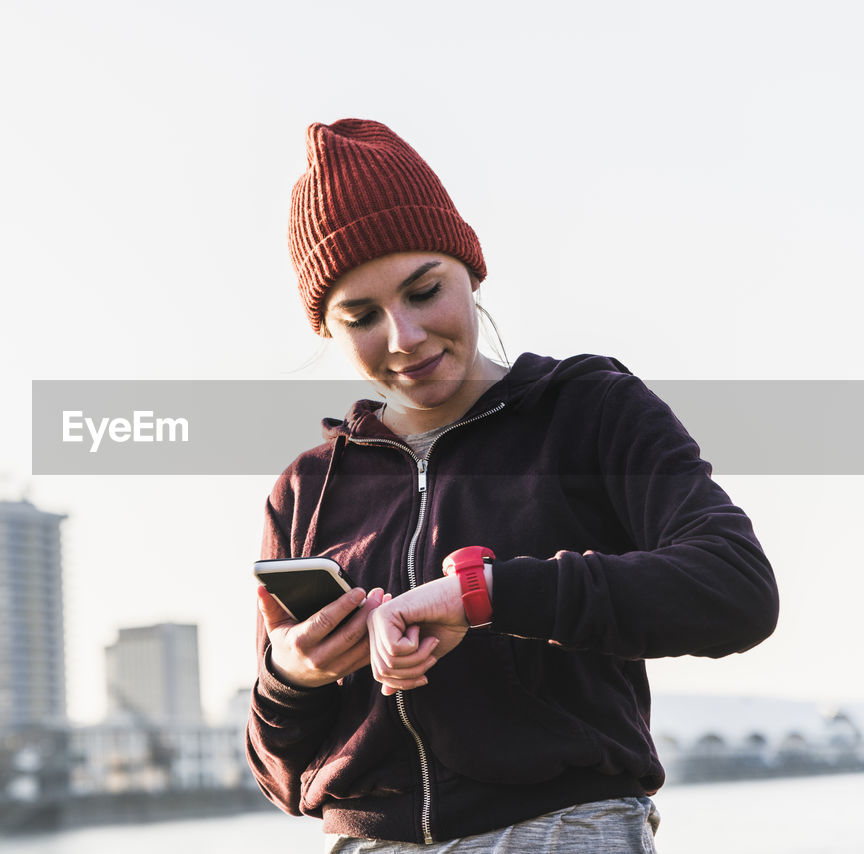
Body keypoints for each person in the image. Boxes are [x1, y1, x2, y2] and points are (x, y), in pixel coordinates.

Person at [245, 118, 779, 852]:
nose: (404, 337)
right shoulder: (306, 488)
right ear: (326, 331)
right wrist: (291, 673)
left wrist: (487, 597)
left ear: (471, 269)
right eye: (362, 316)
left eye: (424, 290)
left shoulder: (588, 408)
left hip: (559, 832)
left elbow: (735, 590)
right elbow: (282, 777)